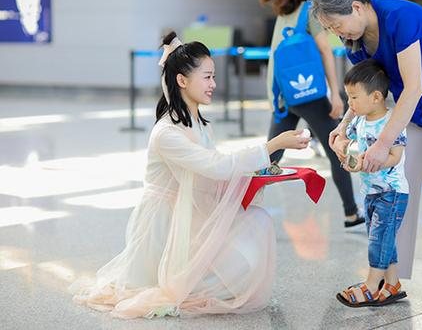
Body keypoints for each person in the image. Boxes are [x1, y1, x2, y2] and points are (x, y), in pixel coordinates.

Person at [70, 32, 311, 319]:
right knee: (189, 283)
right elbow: (216, 166)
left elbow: (215, 168)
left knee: (256, 222)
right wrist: (273, 145)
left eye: (213, 77)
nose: (214, 84)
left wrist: (255, 172)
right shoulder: (167, 133)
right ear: (182, 81)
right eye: (207, 77)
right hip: (165, 221)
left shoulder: (197, 122)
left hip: (192, 209)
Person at [310, 0, 422, 304]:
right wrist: (344, 126)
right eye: (331, 29)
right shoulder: (357, 43)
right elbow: (367, 96)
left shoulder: (400, 18)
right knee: (397, 183)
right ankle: (392, 279)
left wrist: (381, 144)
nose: (338, 34)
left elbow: (414, 87)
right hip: (415, 109)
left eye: (337, 24)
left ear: (357, 7)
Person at [259, 0, 363, 228]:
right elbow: (326, 51)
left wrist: (275, 97)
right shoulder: (311, 10)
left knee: (271, 154)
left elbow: (275, 55)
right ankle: (351, 213)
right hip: (311, 95)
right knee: (335, 150)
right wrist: (336, 94)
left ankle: (238, 204)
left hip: (285, 95)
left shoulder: (284, 9)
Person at [335, 59, 408, 307]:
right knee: (383, 238)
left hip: (392, 192)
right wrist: (344, 150)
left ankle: (370, 285)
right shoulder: (360, 119)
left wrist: (366, 162)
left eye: (354, 97)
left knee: (379, 240)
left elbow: (395, 157)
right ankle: (393, 284)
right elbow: (346, 140)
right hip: (371, 192)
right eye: (348, 97)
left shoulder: (392, 122)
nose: (350, 104)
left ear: (376, 97)